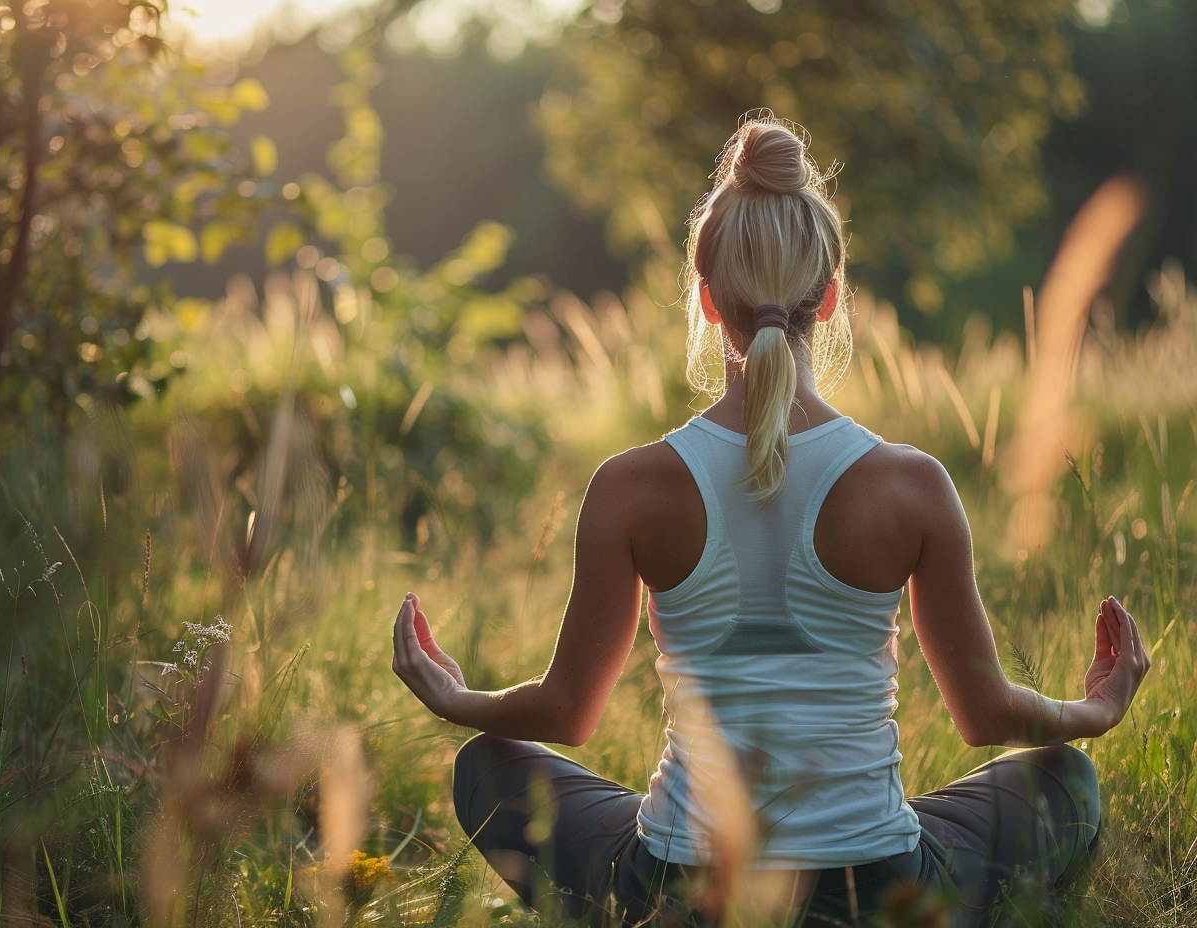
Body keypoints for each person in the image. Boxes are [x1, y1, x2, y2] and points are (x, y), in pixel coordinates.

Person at [391, 114, 1152, 927]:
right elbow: (987, 715)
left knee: (486, 766)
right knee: (1068, 779)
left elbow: (564, 714)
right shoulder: (913, 486)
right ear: (830, 298)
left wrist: (457, 698)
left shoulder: (629, 486)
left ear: (707, 299)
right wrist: (1096, 712)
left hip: (679, 888)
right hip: (878, 890)